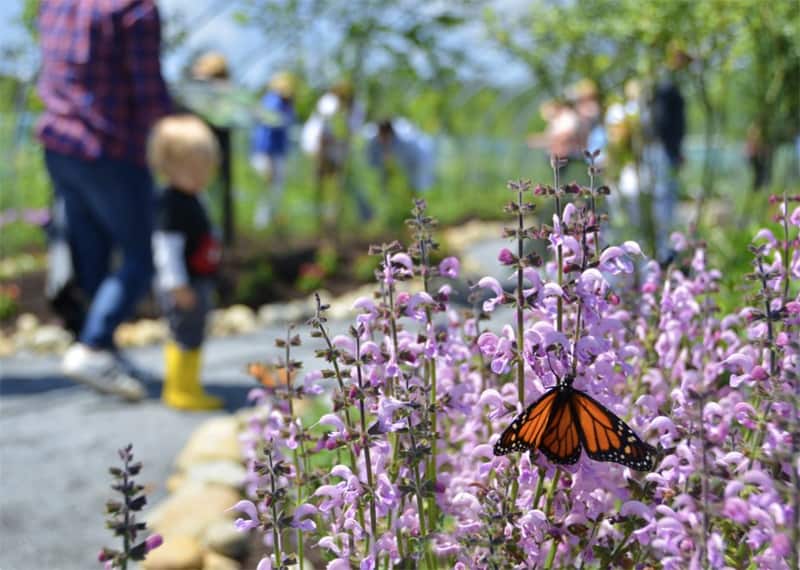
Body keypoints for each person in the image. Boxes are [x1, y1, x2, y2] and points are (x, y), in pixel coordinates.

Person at [37, 0, 172, 400]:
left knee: (93, 251)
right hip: (110, 146)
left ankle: (103, 350)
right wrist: (174, 128)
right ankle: (94, 346)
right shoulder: (133, 8)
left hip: (59, 144)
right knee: (139, 258)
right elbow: (148, 91)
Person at [148, 115, 223, 411]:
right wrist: (176, 284)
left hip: (197, 279)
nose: (202, 176)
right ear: (169, 167)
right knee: (184, 334)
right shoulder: (171, 204)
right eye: (195, 170)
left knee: (193, 332)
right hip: (183, 283)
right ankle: (180, 389)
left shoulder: (193, 197)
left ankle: (189, 385)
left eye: (207, 169)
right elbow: (166, 247)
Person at [251, 71, 296, 228]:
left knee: (276, 189)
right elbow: (267, 132)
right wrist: (268, 157)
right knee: (268, 188)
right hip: (268, 153)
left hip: (277, 152)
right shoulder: (273, 102)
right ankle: (262, 224)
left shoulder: (286, 104)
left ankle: (271, 222)